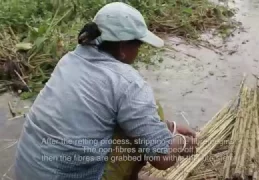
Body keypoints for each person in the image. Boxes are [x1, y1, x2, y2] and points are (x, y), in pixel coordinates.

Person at [14, 2, 197, 180]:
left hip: (26, 172)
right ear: (123, 47)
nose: (139, 51)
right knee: (150, 111)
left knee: (127, 115)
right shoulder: (128, 82)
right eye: (138, 45)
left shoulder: (69, 60)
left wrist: (169, 128)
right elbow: (162, 158)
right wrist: (181, 142)